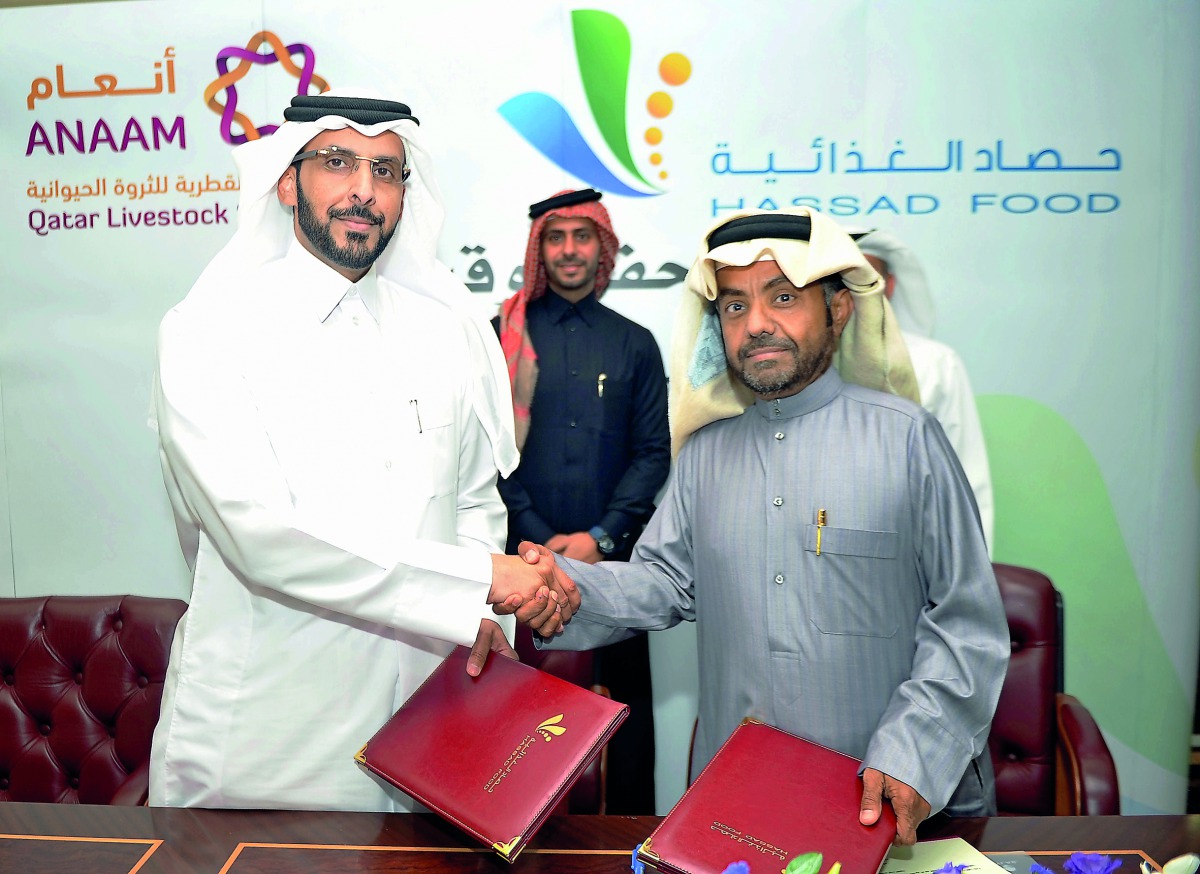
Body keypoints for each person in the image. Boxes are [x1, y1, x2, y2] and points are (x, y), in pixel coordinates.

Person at [149, 91, 576, 812]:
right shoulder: (208, 332)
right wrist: (478, 577)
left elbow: (473, 497)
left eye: (386, 170)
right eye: (338, 163)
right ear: (288, 180)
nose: (363, 192)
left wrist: (482, 614)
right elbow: (262, 535)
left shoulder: (447, 331)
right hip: (265, 749)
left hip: (428, 737)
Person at [537, 207, 1009, 844]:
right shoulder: (705, 454)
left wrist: (914, 753)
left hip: (883, 802)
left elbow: (966, 622)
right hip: (736, 809)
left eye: (783, 298)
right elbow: (660, 584)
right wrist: (546, 583)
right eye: (734, 306)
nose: (756, 324)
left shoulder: (907, 440)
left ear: (838, 311)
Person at [494, 188, 670, 813]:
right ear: (539, 249)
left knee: (622, 723)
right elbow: (486, 454)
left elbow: (653, 453)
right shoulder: (500, 337)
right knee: (514, 725)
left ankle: (626, 847)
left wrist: (602, 538)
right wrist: (536, 539)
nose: (569, 250)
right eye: (556, 237)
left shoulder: (635, 343)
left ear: (603, 247)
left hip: (614, 569)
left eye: (582, 236)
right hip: (516, 567)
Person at [853, 228, 994, 552]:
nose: (856, 290)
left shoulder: (936, 362)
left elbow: (966, 476)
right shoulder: (796, 361)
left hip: (913, 547)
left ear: (890, 285)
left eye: (867, 278)